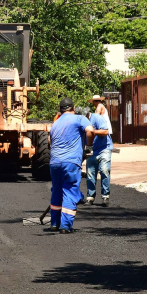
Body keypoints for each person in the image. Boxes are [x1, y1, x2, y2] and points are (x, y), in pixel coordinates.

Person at [49, 98, 94, 234]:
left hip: (54, 162)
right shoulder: (79, 119)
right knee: (69, 190)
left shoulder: (55, 124)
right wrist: (89, 146)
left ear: (60, 110)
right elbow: (90, 131)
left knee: (57, 190)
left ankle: (55, 223)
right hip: (71, 162)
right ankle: (65, 225)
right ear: (73, 109)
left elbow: (50, 141)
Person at [85, 96, 113, 206]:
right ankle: (90, 197)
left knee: (104, 170)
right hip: (92, 150)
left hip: (104, 148)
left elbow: (105, 131)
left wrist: (92, 132)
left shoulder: (97, 116)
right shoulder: (82, 122)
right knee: (90, 173)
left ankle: (105, 196)